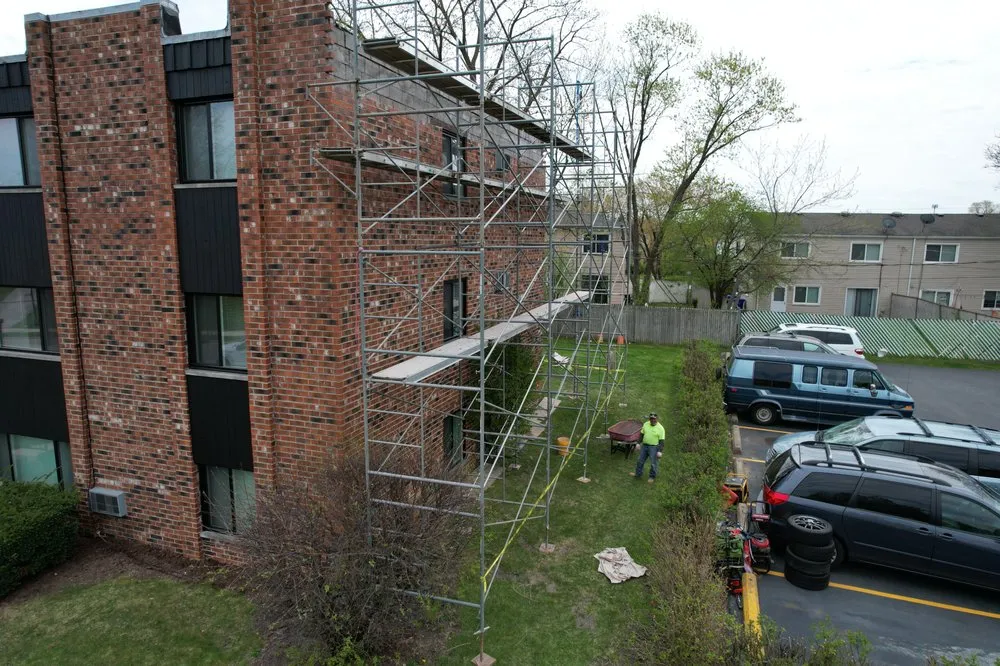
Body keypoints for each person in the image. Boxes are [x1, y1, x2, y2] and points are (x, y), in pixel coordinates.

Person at [630, 413, 665, 483]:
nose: (652, 420)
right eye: (651, 418)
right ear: (649, 419)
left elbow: (661, 441)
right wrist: (638, 443)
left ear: (657, 419)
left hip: (654, 448)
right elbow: (641, 435)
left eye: (654, 419)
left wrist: (660, 451)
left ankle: (652, 477)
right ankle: (638, 474)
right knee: (640, 460)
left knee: (653, 463)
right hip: (644, 446)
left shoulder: (661, 428)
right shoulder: (646, 424)